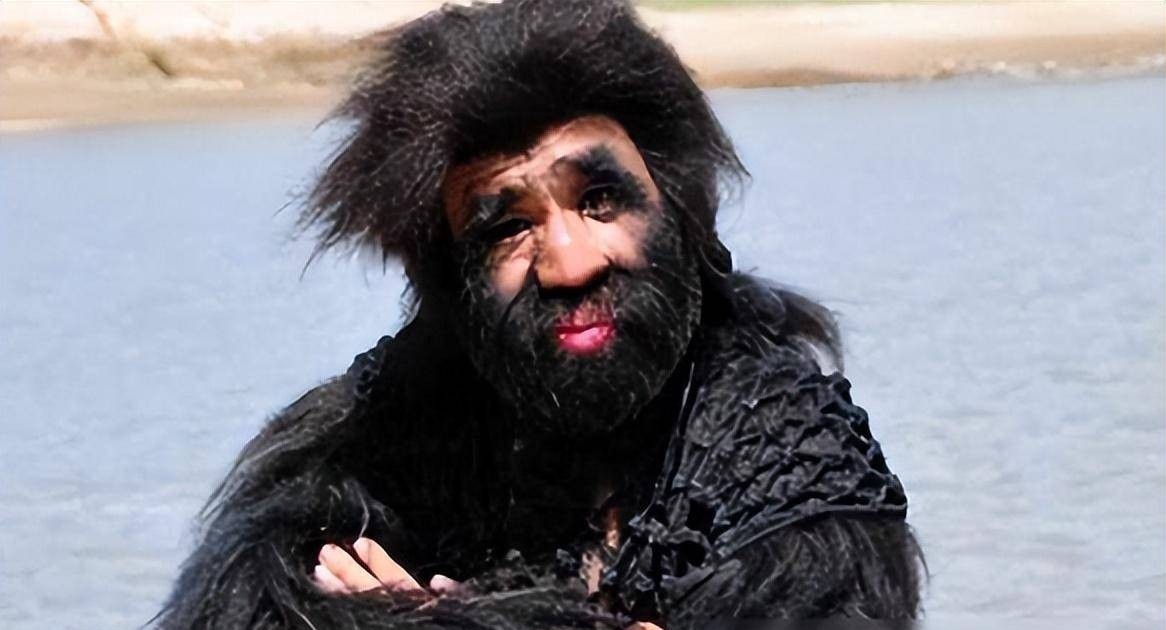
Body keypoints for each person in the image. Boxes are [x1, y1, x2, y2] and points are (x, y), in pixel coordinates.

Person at [156, 1, 923, 628]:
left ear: (679, 210)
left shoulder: (787, 444)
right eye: (508, 227)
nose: (571, 262)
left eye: (601, 200)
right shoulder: (378, 431)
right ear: (452, 280)